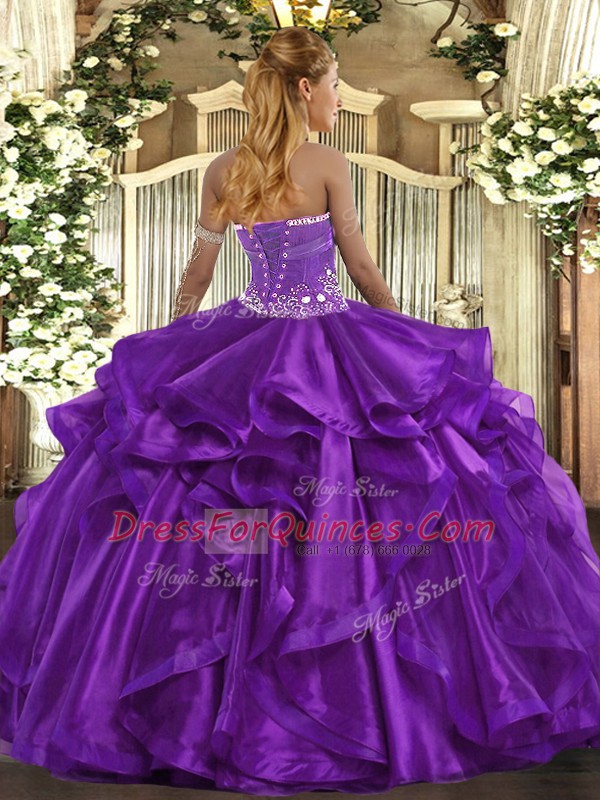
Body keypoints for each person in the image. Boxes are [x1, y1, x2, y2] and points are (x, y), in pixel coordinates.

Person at [0, 25, 598, 795]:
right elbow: (360, 264)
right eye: (335, 84)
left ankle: (204, 706)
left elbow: (199, 268)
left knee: (224, 505)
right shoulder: (325, 163)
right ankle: (355, 685)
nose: (340, 98)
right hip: (326, 344)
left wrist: (179, 340)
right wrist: (407, 339)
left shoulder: (226, 167)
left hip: (246, 342)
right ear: (306, 88)